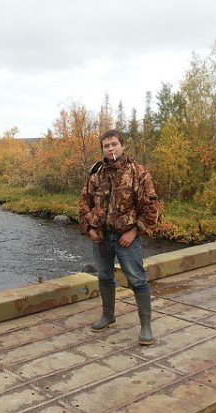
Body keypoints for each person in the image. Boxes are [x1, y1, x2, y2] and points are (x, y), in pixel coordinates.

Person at [78, 129, 159, 345]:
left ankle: (146, 327)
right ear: (102, 149)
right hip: (101, 237)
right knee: (105, 277)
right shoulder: (96, 173)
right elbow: (84, 203)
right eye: (106, 146)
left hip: (126, 238)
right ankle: (108, 316)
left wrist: (134, 232)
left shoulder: (138, 172)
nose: (111, 148)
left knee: (137, 280)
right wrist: (89, 228)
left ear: (122, 146)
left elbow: (151, 207)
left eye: (114, 144)